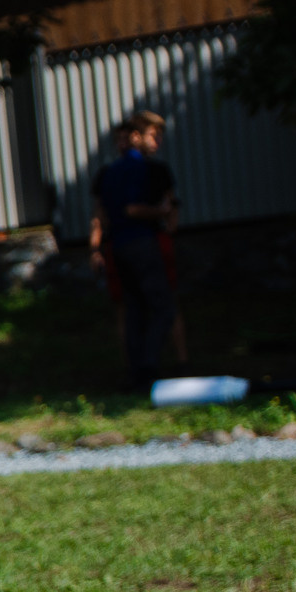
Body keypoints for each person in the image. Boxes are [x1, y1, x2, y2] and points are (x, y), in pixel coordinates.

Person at [88, 109, 182, 390]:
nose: (157, 141)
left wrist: (96, 247)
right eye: (153, 135)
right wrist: (161, 211)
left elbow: (101, 214)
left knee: (133, 311)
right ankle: (148, 367)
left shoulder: (108, 172)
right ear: (136, 137)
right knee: (163, 308)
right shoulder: (141, 168)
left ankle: (135, 372)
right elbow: (133, 208)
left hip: (117, 246)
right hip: (141, 241)